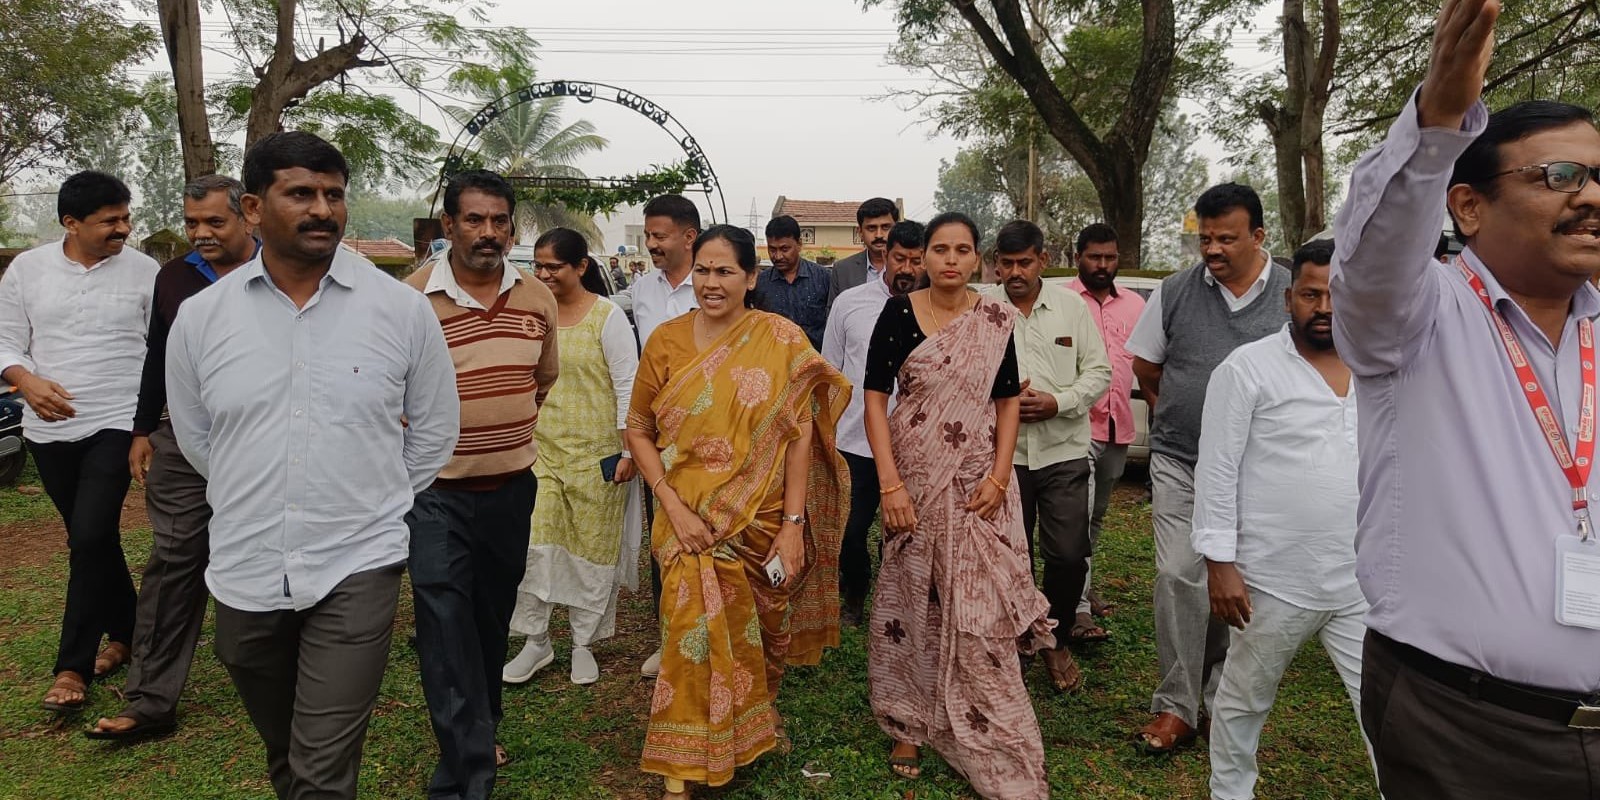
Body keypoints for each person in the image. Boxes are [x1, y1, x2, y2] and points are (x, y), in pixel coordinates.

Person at [1334, 1, 1600, 794]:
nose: (1588, 195)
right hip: (1465, 726)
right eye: (1559, 176)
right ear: (1468, 205)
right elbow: (1371, 259)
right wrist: (1438, 118)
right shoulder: (1418, 316)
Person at [165, 131, 459, 800]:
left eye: (334, 195)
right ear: (253, 206)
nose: (322, 209)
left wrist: (373, 497)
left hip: (357, 559)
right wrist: (258, 490)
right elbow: (200, 437)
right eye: (301, 193)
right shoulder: (202, 319)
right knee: (290, 753)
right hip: (245, 564)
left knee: (322, 770)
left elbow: (435, 430)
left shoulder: (401, 311)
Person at [627, 224, 850, 800]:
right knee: (689, 628)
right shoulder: (666, 341)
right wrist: (670, 504)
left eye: (725, 271)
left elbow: (799, 434)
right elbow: (639, 427)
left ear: (752, 277)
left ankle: (751, 722)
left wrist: (794, 525)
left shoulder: (781, 339)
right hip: (687, 515)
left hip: (764, 513)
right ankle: (681, 760)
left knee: (765, 628)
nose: (711, 282)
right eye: (702, 270)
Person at [865, 212, 1055, 799]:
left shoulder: (994, 319)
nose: (950, 259)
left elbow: (1004, 402)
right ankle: (907, 721)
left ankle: (987, 715)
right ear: (922, 258)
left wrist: (1000, 477)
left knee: (980, 608)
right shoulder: (898, 313)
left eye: (962, 250)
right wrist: (891, 485)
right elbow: (874, 399)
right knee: (911, 594)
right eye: (939, 249)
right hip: (916, 480)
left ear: (978, 260)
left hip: (977, 483)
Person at [1191, 239, 1376, 800]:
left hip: (1360, 579)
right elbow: (1216, 470)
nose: (1324, 307)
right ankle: (1231, 791)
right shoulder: (1247, 369)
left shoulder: (1378, 367)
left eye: (1337, 295)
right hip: (1271, 579)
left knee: (1385, 703)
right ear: (1288, 299)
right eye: (1311, 294)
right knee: (1246, 697)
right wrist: (1220, 562)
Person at [401, 169, 559, 799]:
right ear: (449, 226)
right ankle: (466, 775)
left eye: (499, 221)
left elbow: (540, 382)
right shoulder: (412, 302)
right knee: (443, 622)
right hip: (437, 492)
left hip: (512, 488)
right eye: (474, 220)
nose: (488, 232)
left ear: (512, 227)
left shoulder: (535, 298)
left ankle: (480, 725)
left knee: (490, 619)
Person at [86, 175, 258, 741]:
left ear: (248, 216)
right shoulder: (175, 278)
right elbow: (158, 354)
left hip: (266, 440)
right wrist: (143, 428)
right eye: (192, 223)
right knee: (176, 555)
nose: (201, 234)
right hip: (183, 440)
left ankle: (293, 673)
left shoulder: (283, 270)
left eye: (215, 222)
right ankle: (150, 700)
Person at [1127, 182, 1290, 754]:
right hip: (1181, 458)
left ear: (1259, 236)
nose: (1213, 249)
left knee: (1240, 583)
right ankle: (1176, 705)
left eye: (1227, 238)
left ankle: (1224, 701)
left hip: (1263, 469)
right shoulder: (1174, 291)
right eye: (1205, 239)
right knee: (1179, 573)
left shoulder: (1295, 292)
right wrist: (1177, 408)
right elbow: (1147, 366)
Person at [0, 171, 158, 713]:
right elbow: (5, 338)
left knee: (89, 536)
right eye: (110, 221)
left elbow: (159, 349)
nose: (124, 228)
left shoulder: (145, 271)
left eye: (125, 216)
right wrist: (26, 381)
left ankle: (71, 665)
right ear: (71, 223)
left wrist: (147, 425)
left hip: (116, 421)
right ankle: (130, 631)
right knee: (92, 539)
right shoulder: (28, 269)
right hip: (46, 429)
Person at [505, 227, 639, 686]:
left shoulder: (607, 317)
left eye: (552, 267)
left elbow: (628, 386)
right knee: (534, 546)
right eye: (536, 266)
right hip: (539, 451)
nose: (542, 274)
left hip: (597, 457)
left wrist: (628, 449)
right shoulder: (530, 312)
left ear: (580, 267)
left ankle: (583, 643)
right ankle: (536, 641)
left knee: (590, 551)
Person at [982, 220, 1110, 686]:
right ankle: (1018, 639)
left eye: (1025, 262)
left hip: (1063, 451)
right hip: (1003, 457)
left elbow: (1099, 371)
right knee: (1010, 557)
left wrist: (1059, 401)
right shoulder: (982, 308)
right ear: (997, 264)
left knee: (1068, 555)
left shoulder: (1071, 308)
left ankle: (1054, 638)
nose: (1015, 272)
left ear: (1043, 260)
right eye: (1007, 263)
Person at [612, 194, 700, 678]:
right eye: (648, 236)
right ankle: (670, 636)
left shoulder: (714, 286)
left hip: (715, 433)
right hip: (660, 435)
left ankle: (714, 633)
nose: (651, 245)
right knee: (664, 533)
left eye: (659, 236)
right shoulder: (642, 290)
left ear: (689, 237)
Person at [821, 220, 925, 626]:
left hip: (915, 443)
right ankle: (856, 591)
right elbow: (830, 369)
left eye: (917, 261)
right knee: (850, 531)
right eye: (901, 258)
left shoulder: (937, 310)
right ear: (886, 255)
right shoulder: (850, 303)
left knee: (906, 531)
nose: (907, 268)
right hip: (855, 439)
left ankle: (897, 600)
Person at [1067, 223, 1145, 626]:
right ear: (1077, 256)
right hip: (1077, 428)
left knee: (1096, 517)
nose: (1102, 265)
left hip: (1120, 429)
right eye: (1094, 257)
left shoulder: (1135, 306)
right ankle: (1077, 609)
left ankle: (1080, 582)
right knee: (1078, 518)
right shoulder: (1062, 300)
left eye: (1109, 257)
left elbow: (1149, 363)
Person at [757, 214, 831, 349]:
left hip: (815, 361)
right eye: (772, 250)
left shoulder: (824, 278)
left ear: (799, 244)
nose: (778, 256)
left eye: (785, 249)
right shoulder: (759, 284)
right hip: (774, 361)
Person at [828, 197, 900, 303]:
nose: (879, 235)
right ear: (860, 232)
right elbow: (834, 314)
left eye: (885, 227)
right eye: (871, 228)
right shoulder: (843, 270)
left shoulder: (912, 267)